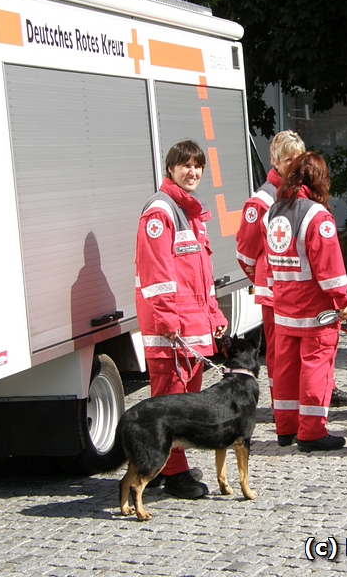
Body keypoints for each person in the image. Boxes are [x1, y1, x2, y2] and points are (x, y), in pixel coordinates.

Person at [236, 132, 347, 413]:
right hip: (276, 293)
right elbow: (245, 253)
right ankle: (286, 410)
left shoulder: (303, 197)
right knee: (283, 358)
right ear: (274, 162)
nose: (294, 164)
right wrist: (266, 280)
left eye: (298, 158)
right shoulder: (263, 201)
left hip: (298, 291)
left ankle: (315, 397)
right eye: (287, 159)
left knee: (308, 351)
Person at [134, 140, 227, 499]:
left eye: (198, 166)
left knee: (186, 403)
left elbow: (200, 277)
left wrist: (214, 313)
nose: (192, 172)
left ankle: (162, 465)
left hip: (193, 326)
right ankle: (174, 475)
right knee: (171, 404)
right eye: (185, 165)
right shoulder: (161, 212)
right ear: (170, 168)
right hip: (171, 331)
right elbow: (156, 275)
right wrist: (169, 320)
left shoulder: (189, 211)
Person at [266, 152, 347, 451]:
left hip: (284, 306)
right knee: (316, 367)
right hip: (315, 308)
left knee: (286, 369)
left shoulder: (275, 211)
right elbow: (330, 268)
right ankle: (312, 431)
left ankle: (286, 428)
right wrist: (342, 301)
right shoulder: (317, 215)